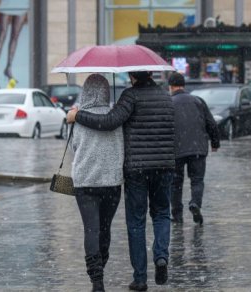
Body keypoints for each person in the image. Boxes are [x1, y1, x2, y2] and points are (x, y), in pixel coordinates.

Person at [67, 71, 175, 291]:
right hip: (157, 167)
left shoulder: (127, 99)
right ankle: (161, 256)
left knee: (127, 223)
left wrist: (77, 116)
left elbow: (96, 132)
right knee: (161, 214)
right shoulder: (166, 96)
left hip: (129, 172)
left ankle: (131, 278)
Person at [70, 74, 124, 292]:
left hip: (85, 182)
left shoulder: (76, 116)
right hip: (111, 181)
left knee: (91, 229)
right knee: (105, 228)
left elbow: (74, 146)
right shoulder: (116, 116)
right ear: (105, 91)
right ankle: (101, 266)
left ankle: (96, 279)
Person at [167, 72, 220, 225]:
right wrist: (215, 143)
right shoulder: (198, 101)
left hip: (176, 149)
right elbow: (211, 124)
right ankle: (195, 203)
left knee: (175, 183)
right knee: (197, 180)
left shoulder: (169, 102)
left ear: (170, 87)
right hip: (197, 148)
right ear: (184, 85)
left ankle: (177, 215)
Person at [0, 0, 29, 82]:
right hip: (7, 3)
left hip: (22, 3)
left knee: (15, 36)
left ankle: (8, 68)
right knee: (2, 35)